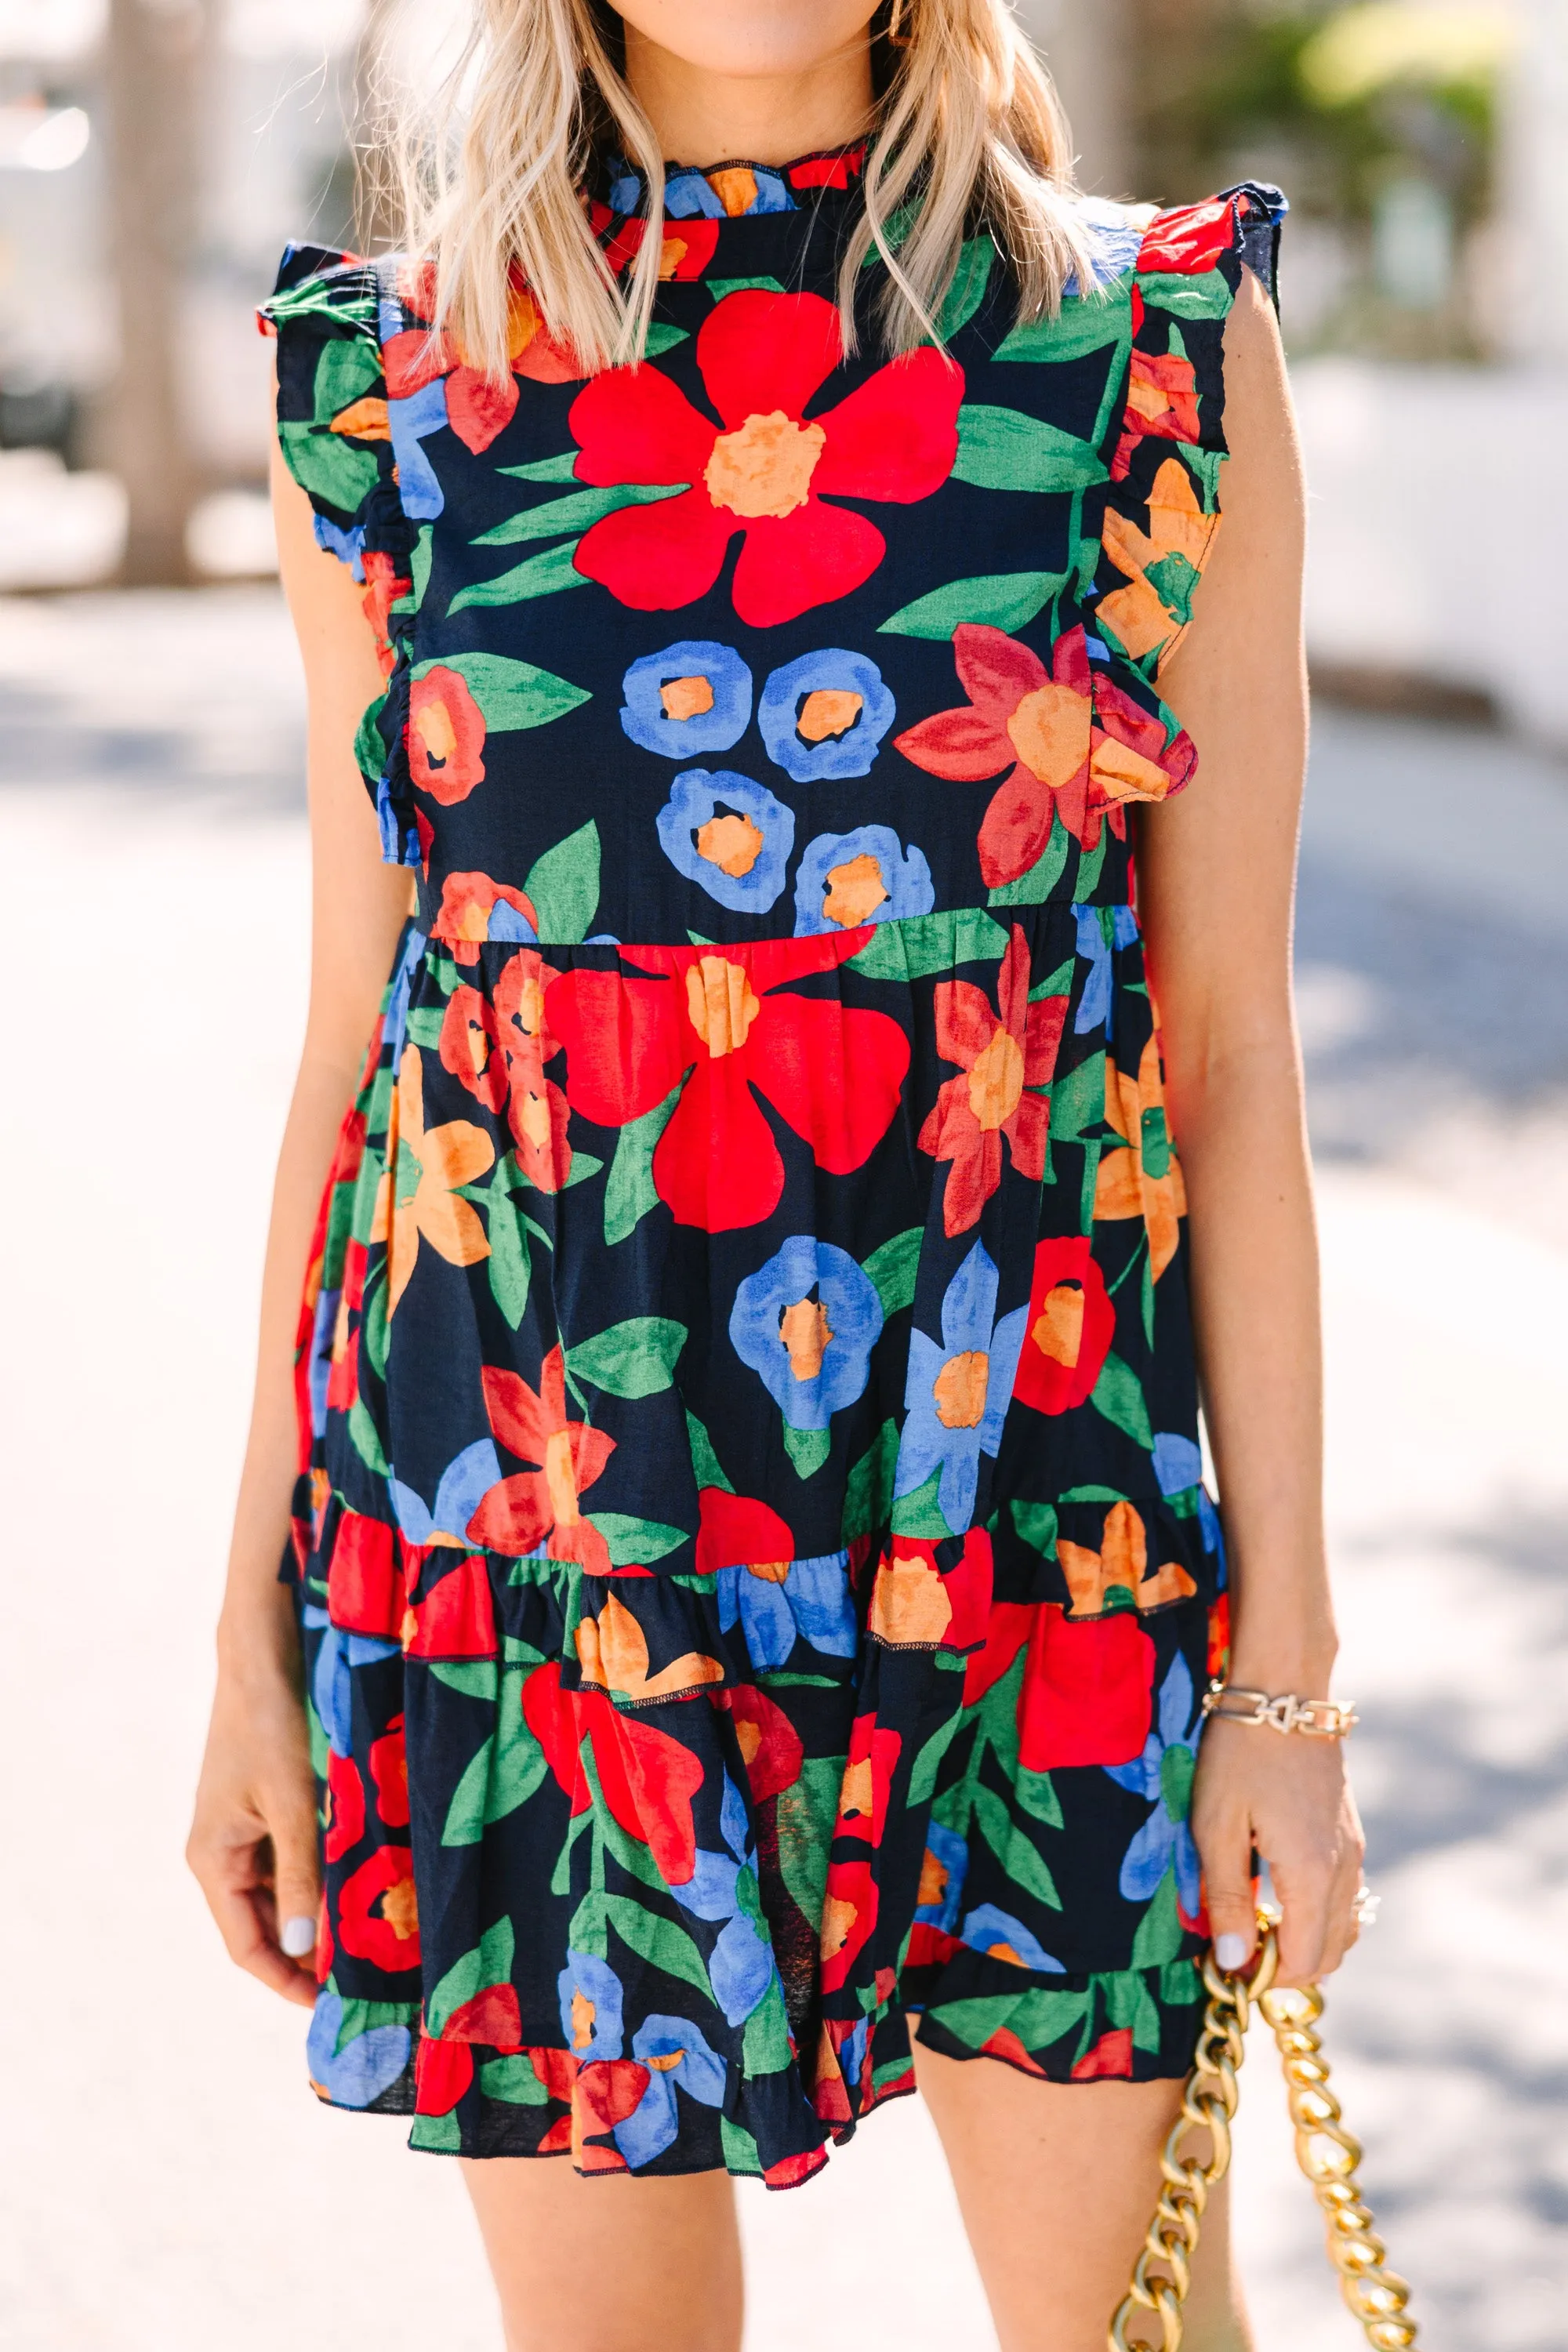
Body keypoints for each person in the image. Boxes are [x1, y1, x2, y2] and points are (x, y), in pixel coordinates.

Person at [187, 3, 1367, 2346]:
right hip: (537, 1561)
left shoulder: (1139, 348)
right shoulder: (401, 384)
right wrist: (252, 1638)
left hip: (1037, 1539)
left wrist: (1288, 1688)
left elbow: (1228, 1055)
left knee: (1135, 2337)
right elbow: (362, 1050)